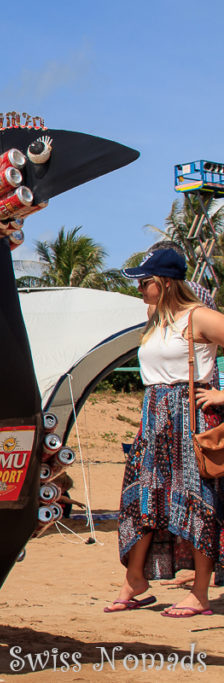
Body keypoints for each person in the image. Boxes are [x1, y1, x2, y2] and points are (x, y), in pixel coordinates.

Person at [107, 249, 224, 617]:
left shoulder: (199, 316)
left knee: (199, 501)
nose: (140, 289)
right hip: (154, 418)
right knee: (144, 500)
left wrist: (222, 393)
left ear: (167, 282)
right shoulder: (153, 316)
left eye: (146, 282)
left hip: (190, 417)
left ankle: (200, 593)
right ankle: (135, 581)